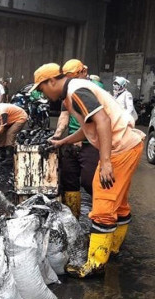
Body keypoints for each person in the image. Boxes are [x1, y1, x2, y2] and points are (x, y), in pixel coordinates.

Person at [31, 62, 145, 278]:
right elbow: (88, 128)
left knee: (103, 200)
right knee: (118, 202)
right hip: (128, 145)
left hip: (118, 148)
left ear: (52, 81)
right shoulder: (74, 91)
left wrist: (106, 161)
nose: (42, 93)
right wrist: (62, 141)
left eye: (41, 88)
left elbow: (103, 121)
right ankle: (113, 249)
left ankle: (96, 264)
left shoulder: (77, 92)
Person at [52, 59, 100, 218]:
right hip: (72, 140)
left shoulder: (93, 89)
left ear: (83, 72)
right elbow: (64, 116)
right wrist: (58, 134)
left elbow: (95, 121)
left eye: (73, 75)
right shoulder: (67, 92)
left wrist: (80, 138)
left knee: (89, 181)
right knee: (68, 179)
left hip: (91, 142)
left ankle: (101, 213)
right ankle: (73, 218)